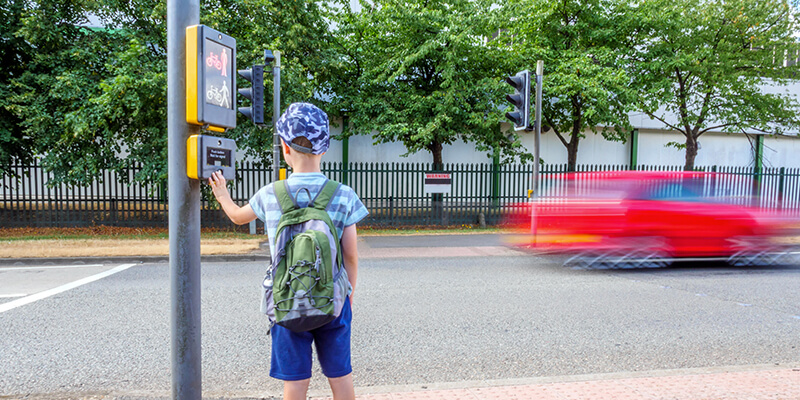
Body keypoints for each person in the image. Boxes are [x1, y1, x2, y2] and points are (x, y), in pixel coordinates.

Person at [208, 102, 368, 400]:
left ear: (285, 148)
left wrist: (222, 195)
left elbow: (237, 216)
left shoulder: (270, 194)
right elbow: (351, 256)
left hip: (286, 300)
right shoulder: (343, 195)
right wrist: (348, 293)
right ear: (324, 148)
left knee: (295, 382)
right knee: (340, 375)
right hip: (332, 299)